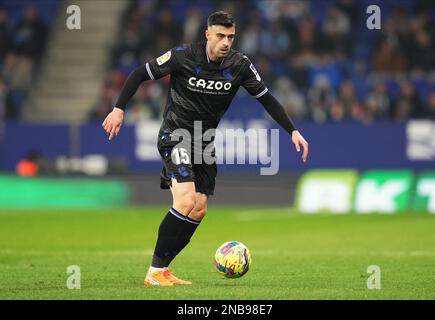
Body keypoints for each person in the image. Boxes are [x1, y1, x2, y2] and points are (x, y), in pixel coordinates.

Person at [102, 11, 309, 286]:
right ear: (207, 34)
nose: (226, 42)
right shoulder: (183, 56)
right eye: (220, 36)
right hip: (176, 135)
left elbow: (267, 99)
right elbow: (140, 74)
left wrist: (292, 131)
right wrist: (119, 108)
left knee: (198, 208)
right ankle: (153, 271)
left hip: (205, 140)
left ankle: (163, 269)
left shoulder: (239, 65)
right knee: (185, 201)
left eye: (231, 37)